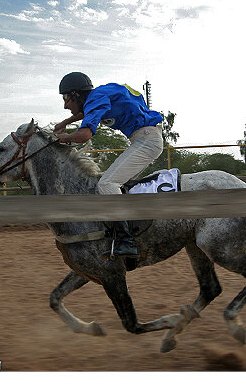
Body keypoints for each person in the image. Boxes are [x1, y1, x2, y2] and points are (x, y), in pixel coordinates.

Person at [54, 72, 164, 259]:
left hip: (146, 140)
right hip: (145, 138)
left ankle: (127, 242)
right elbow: (86, 112)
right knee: (117, 184)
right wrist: (66, 121)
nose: (65, 105)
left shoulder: (96, 98)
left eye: (66, 98)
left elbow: (85, 135)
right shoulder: (100, 96)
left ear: (77, 94)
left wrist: (65, 138)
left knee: (106, 184)